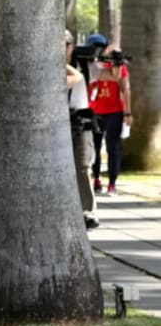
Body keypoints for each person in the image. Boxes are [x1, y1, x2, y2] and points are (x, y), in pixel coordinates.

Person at [88, 35, 132, 196]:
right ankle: (96, 179)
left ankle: (112, 183)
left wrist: (128, 112)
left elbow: (125, 88)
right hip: (95, 110)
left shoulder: (119, 67)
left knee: (113, 147)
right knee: (95, 147)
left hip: (114, 111)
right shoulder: (93, 65)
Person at [65, 31, 98, 229]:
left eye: (66, 44)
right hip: (60, 120)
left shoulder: (84, 66)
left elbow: (112, 75)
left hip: (82, 120)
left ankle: (88, 211)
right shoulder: (52, 67)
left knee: (82, 167)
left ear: (72, 46)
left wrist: (116, 58)